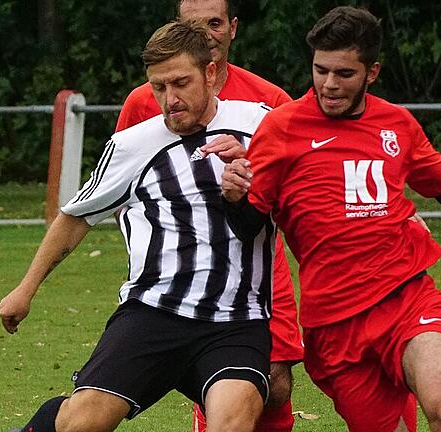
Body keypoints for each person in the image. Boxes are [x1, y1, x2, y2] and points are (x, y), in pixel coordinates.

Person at [220, 6, 441, 432]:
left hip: (406, 296)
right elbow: (249, 226)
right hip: (335, 325)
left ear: (372, 72)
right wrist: (234, 199)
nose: (329, 84)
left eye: (344, 73)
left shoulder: (396, 124)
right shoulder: (282, 128)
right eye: (320, 70)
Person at [0, 20, 278, 432]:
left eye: (181, 83)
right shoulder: (133, 146)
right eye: (158, 87)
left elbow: (304, 190)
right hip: (153, 314)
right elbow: (76, 216)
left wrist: (255, 173)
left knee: (233, 421)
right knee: (81, 424)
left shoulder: (263, 125)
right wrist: (25, 290)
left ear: (212, 73)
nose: (170, 99)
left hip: (236, 321)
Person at [115, 1, 302, 431]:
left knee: (275, 384)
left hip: (260, 265)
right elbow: (121, 185)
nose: (207, 33)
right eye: (192, 25)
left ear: (232, 28)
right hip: (184, 274)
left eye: (215, 23)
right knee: (218, 381)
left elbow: (299, 178)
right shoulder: (142, 103)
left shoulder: (270, 100)